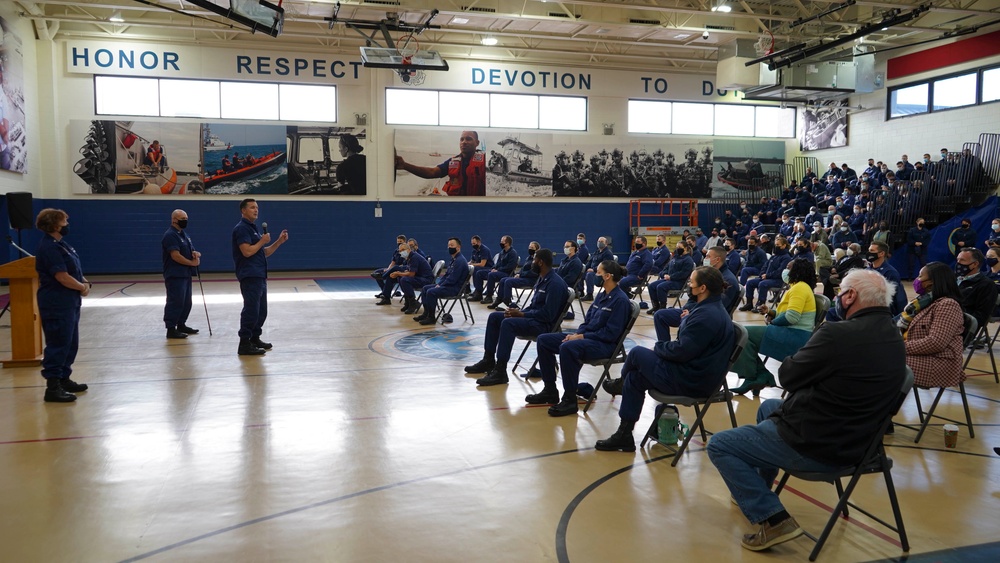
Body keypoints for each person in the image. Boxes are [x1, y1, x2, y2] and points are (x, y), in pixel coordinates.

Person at [707, 269, 905, 552]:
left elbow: (788, 376)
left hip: (819, 445)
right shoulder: (894, 336)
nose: (837, 297)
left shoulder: (838, 334)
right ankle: (759, 492)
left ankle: (773, 519)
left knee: (720, 445)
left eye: (840, 293)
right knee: (768, 407)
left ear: (850, 296)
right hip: (861, 443)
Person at [595, 266, 734, 452]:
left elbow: (682, 351)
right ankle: (625, 434)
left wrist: (659, 347)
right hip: (691, 371)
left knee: (636, 353)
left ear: (703, 288)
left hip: (692, 380)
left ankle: (620, 383)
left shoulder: (707, 315)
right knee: (635, 378)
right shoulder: (708, 308)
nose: (688, 286)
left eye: (692, 282)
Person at [530, 260, 632, 416]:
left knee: (567, 348)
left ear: (607, 276)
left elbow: (610, 334)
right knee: (544, 340)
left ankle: (570, 400)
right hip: (587, 337)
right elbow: (588, 320)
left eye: (597, 272)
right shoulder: (602, 295)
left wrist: (582, 336)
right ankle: (550, 390)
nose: (593, 275)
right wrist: (577, 334)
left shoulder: (620, 300)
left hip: (604, 345)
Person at [468, 249, 569, 387]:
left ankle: (501, 371)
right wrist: (518, 311)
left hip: (544, 325)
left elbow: (548, 315)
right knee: (495, 317)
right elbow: (534, 306)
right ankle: (488, 360)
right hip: (534, 319)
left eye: (534, 260)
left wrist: (522, 315)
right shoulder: (542, 278)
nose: (532, 262)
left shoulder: (555, 284)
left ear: (540, 262)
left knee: (508, 324)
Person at [732, 258, 818, 395]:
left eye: (788, 267)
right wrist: (771, 312)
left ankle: (755, 376)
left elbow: (791, 318)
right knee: (743, 336)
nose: (785, 270)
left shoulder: (800, 288)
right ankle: (758, 376)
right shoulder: (798, 287)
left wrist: (773, 322)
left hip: (794, 336)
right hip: (791, 332)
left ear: (797, 271)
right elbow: (789, 314)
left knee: (740, 334)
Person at [34, 209, 91, 403]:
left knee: (70, 342)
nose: (68, 223)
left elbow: (73, 270)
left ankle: (64, 378)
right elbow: (62, 276)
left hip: (69, 301)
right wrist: (81, 287)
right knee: (58, 342)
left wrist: (83, 281)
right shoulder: (49, 247)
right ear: (56, 224)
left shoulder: (62, 244)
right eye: (65, 220)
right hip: (56, 302)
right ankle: (53, 386)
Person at [232, 199, 289, 355]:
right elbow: (247, 251)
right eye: (252, 207)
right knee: (251, 309)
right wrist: (262, 241)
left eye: (257, 207)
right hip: (250, 275)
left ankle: (254, 338)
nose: (256, 210)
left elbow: (263, 252)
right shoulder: (242, 229)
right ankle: (244, 343)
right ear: (243, 210)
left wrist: (278, 242)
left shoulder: (253, 229)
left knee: (261, 310)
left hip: (259, 274)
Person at [898, 262, 965, 391]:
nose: (917, 280)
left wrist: (898, 347)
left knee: (878, 362)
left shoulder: (948, 305)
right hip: (917, 355)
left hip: (938, 362)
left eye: (920, 276)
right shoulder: (923, 302)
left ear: (932, 282)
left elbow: (936, 342)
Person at [652, 246, 740, 343]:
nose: (705, 259)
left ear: (717, 259)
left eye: (707, 256)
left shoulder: (728, 280)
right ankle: (665, 345)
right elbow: (693, 297)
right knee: (660, 315)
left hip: (705, 317)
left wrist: (692, 313)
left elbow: (720, 305)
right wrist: (687, 309)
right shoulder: (708, 273)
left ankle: (670, 349)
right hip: (692, 310)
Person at [395, 130, 486, 196]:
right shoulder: (452, 162)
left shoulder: (485, 162)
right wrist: (404, 165)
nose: (464, 142)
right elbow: (432, 172)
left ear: (477, 143)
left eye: (468, 139)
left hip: (477, 206)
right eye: (461, 139)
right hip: (456, 207)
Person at [161, 209, 201, 339]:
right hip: (175, 274)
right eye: (182, 219)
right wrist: (191, 263)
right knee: (175, 301)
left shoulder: (184, 235)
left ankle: (181, 324)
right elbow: (175, 256)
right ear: (174, 220)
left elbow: (190, 249)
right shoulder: (170, 235)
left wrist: (195, 254)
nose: (185, 221)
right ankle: (171, 328)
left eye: (186, 218)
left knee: (186, 302)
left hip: (185, 274)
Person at [414, 238, 469, 326]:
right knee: (425, 288)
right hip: (448, 285)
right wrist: (439, 284)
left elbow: (453, 279)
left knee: (431, 292)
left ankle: (431, 317)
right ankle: (426, 313)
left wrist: (441, 285)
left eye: (452, 245)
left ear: (458, 247)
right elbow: (447, 275)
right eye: (448, 245)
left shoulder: (460, 261)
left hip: (455, 288)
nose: (449, 247)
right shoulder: (454, 259)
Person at [740, 236, 792, 311]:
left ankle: (761, 305)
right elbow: (765, 266)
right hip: (767, 278)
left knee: (762, 284)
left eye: (778, 245)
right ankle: (749, 303)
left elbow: (780, 271)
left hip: (778, 280)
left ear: (784, 246)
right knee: (750, 283)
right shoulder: (774, 256)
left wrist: (767, 275)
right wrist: (762, 274)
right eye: (775, 245)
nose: (776, 246)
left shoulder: (786, 257)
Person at [956, 248, 997, 336]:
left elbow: (981, 316)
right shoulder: (953, 279)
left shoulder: (986, 285)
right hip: (940, 319)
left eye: (962, 260)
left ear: (975, 264)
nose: (958, 263)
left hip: (958, 327)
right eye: (957, 260)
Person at [489, 241, 539, 310]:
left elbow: (533, 273)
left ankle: (507, 303)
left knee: (508, 282)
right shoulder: (529, 258)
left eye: (532, 248)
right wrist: (518, 274)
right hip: (523, 278)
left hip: (531, 280)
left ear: (537, 250)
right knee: (503, 280)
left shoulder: (537, 260)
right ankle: (499, 299)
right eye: (529, 247)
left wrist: (521, 275)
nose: (530, 249)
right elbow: (523, 269)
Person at [386, 243, 434, 314]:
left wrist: (398, 273)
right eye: (400, 251)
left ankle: (413, 302)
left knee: (404, 279)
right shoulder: (409, 258)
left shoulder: (414, 257)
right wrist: (399, 273)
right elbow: (409, 270)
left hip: (426, 280)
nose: (401, 252)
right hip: (420, 277)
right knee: (401, 277)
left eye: (403, 250)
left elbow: (411, 274)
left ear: (408, 250)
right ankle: (408, 301)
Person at [647, 242, 694, 313]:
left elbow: (683, 274)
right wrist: (664, 274)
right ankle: (656, 306)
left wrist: (671, 277)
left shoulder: (688, 260)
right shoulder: (675, 257)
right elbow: (666, 268)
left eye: (679, 247)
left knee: (661, 287)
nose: (677, 249)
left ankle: (662, 308)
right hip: (668, 280)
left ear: (686, 248)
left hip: (679, 282)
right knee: (651, 286)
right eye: (677, 247)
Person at [867, 241, 907, 317]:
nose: (869, 253)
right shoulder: (867, 270)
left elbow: (895, 298)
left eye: (872, 251)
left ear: (881, 253)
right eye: (869, 250)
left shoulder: (890, 272)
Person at [475, 235, 518, 304]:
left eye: (502, 242)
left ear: (507, 243)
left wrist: (498, 270)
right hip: (498, 271)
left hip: (506, 273)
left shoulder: (512, 253)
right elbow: (497, 263)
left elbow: (510, 266)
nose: (500, 243)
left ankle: (489, 296)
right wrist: (494, 268)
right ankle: (478, 293)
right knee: (479, 273)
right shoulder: (502, 252)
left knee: (491, 275)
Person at [374, 235, 407, 302]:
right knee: (376, 272)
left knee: (389, 275)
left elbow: (404, 264)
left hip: (400, 269)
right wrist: (388, 269)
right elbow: (393, 262)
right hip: (392, 268)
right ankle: (384, 291)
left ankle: (385, 293)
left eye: (401, 241)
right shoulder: (396, 251)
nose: (399, 243)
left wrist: (391, 270)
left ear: (404, 242)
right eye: (398, 241)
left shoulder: (406, 251)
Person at [582, 236, 613, 300]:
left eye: (602, 242)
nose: (599, 243)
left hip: (601, 274)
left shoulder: (608, 253)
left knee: (589, 275)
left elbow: (605, 266)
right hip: (593, 271)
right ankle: (580, 291)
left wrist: (594, 269)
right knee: (580, 273)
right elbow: (590, 262)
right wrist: (584, 268)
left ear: (606, 244)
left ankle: (589, 295)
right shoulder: (597, 252)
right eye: (598, 241)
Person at [466, 235, 494, 301]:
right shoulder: (474, 251)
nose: (473, 245)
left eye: (474, 243)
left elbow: (482, 264)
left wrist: (472, 264)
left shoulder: (484, 250)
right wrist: (467, 264)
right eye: (472, 244)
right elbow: (472, 261)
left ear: (479, 242)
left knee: (476, 269)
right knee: (468, 269)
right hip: (480, 268)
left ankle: (478, 292)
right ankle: (467, 288)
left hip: (488, 268)